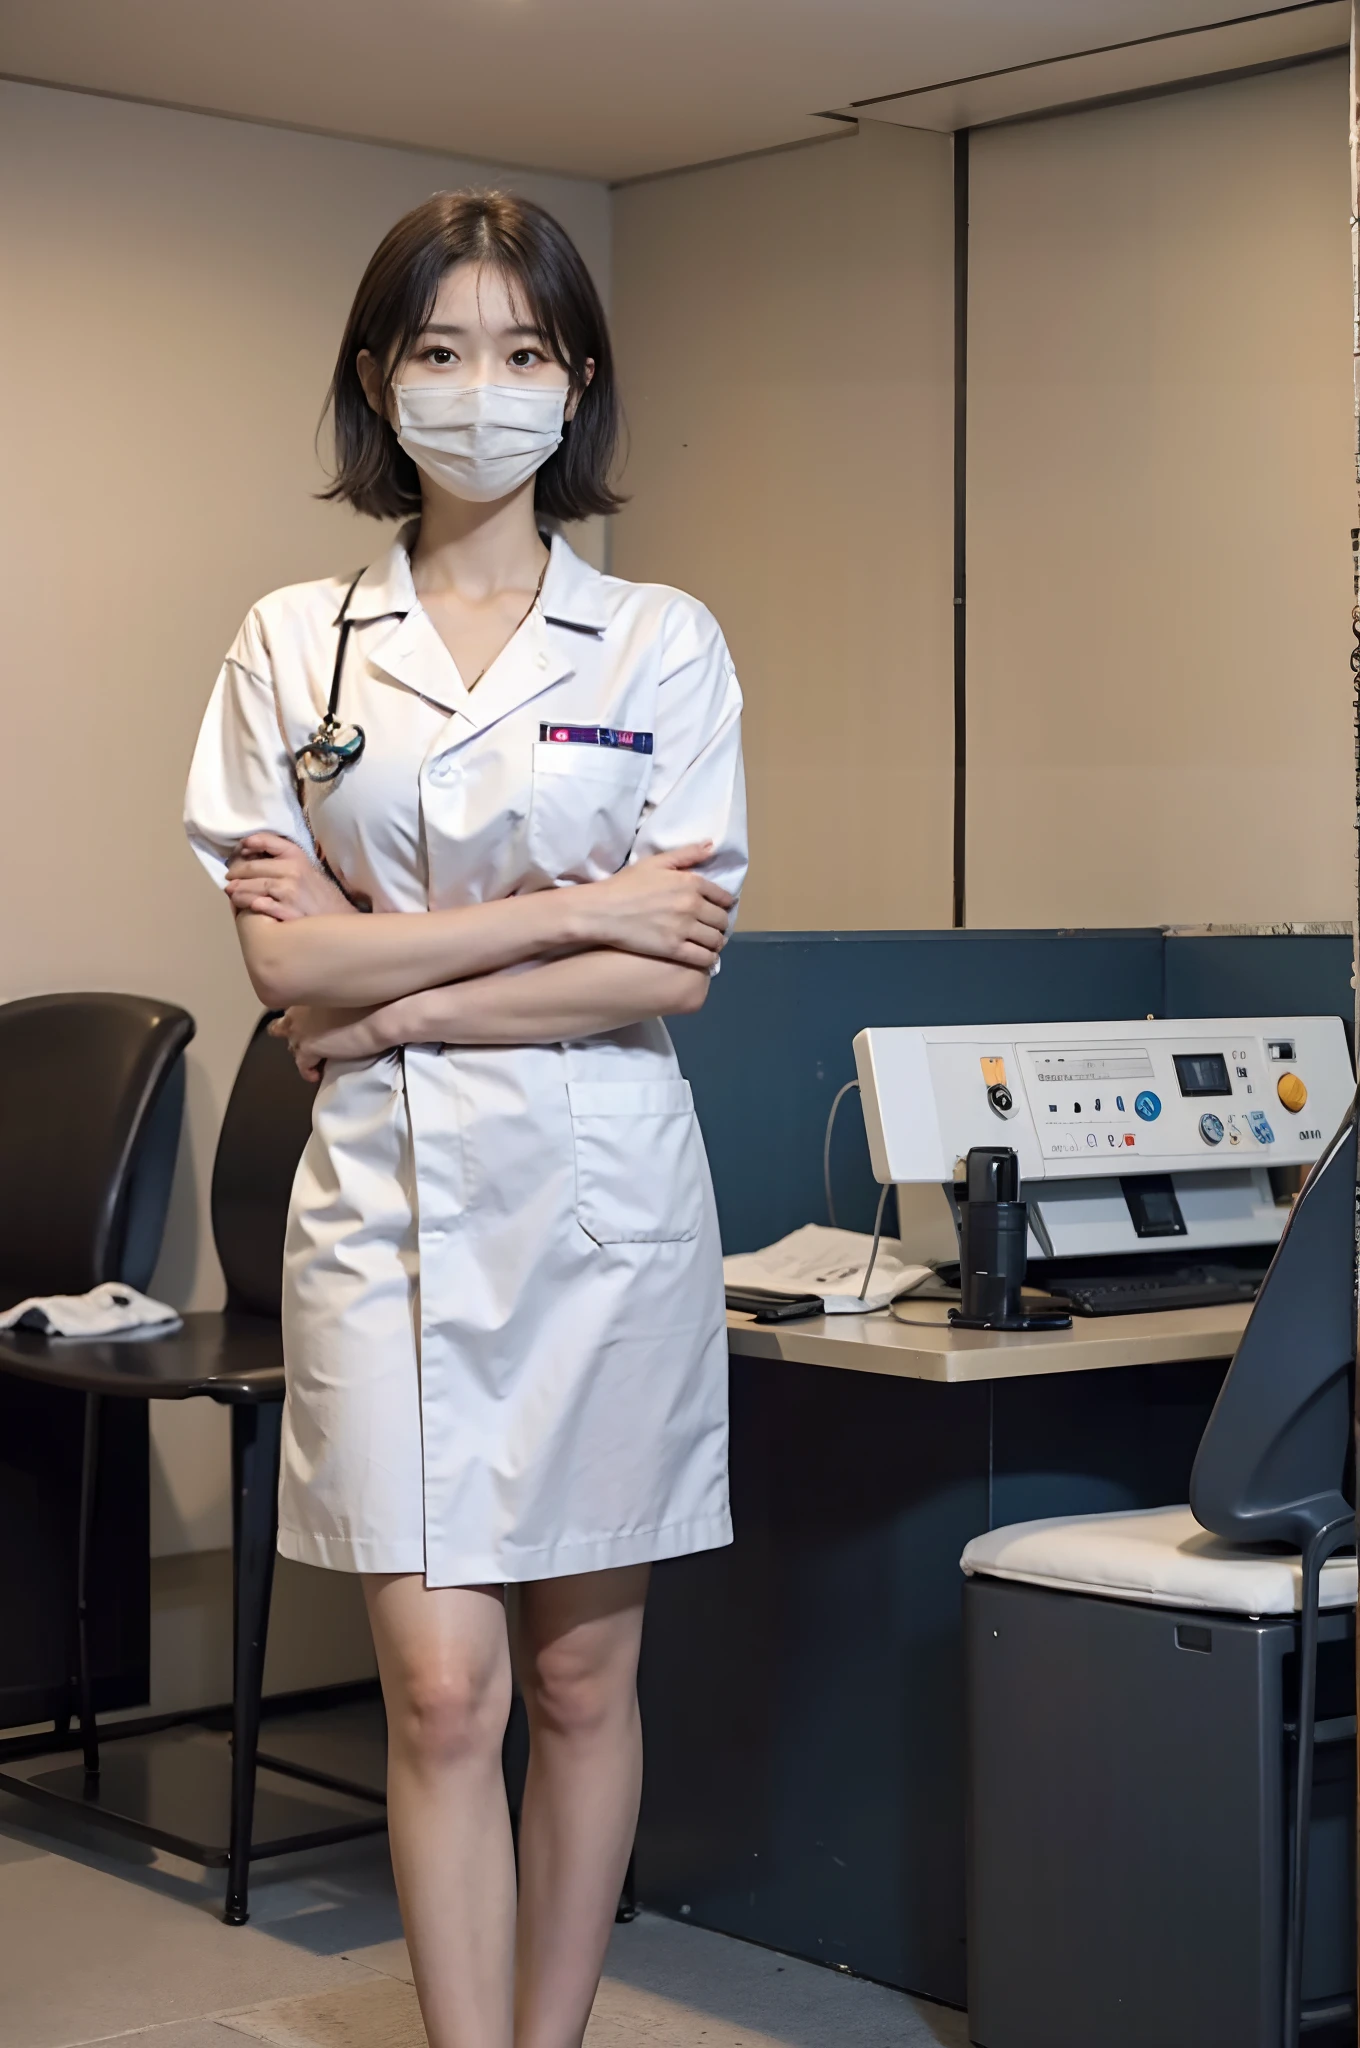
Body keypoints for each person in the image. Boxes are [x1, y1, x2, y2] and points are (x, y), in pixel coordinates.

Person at [183, 189, 746, 2048]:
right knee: (443, 1695)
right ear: (378, 378)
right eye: (439, 350)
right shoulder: (297, 642)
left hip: (600, 1200)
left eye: (522, 352)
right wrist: (576, 904)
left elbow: (666, 976)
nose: (481, 390)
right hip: (387, 1214)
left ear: (574, 385)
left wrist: (398, 985)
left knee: (582, 1686)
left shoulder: (659, 639)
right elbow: (283, 975)